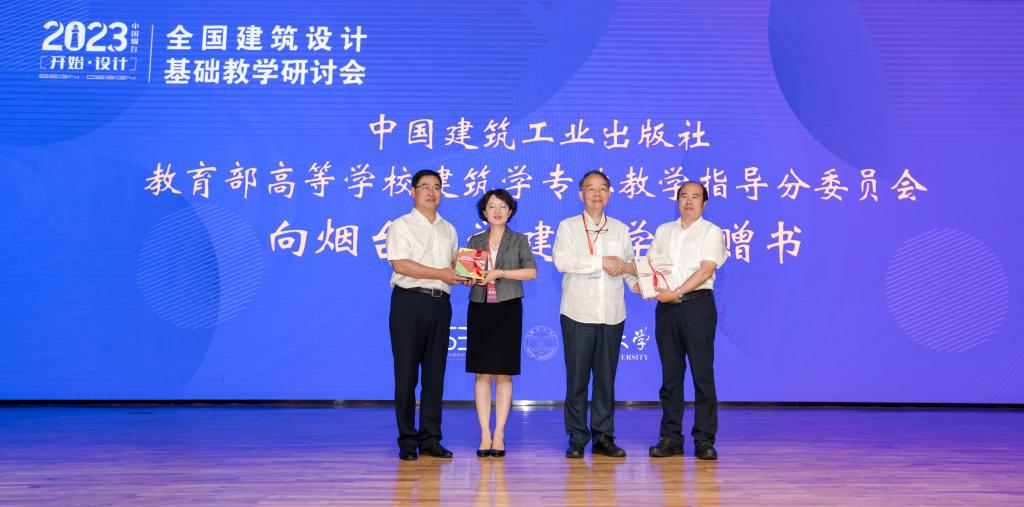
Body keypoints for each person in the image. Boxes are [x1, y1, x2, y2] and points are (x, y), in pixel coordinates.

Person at [385, 169, 470, 461]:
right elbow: (400, 265)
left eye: (436, 187)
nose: (431, 193)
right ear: (412, 192)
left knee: (435, 374)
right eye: (424, 187)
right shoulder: (401, 225)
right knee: (406, 374)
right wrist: (441, 273)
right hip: (409, 302)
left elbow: (453, 266)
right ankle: (408, 440)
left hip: (440, 304)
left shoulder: (449, 229)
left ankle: (431, 438)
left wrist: (466, 274)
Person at [552, 170, 637, 459]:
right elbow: (563, 261)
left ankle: (603, 437)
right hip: (578, 313)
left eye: (602, 189)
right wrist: (601, 261)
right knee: (577, 380)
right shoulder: (568, 227)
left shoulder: (620, 229)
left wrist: (640, 285)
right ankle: (577, 437)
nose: (597, 194)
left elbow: (627, 266)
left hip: (612, 314)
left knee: (605, 380)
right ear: (581, 195)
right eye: (591, 188)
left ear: (610, 194)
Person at [640, 181, 727, 461]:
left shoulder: (711, 232)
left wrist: (676, 292)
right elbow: (651, 267)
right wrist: (643, 285)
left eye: (695, 197)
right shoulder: (664, 231)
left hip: (697, 306)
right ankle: (671, 437)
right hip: (667, 309)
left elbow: (705, 271)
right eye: (684, 197)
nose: (689, 202)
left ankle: (704, 438)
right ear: (677, 201)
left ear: (704, 203)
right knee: (671, 376)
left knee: (702, 374)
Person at [465, 189, 538, 458]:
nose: (497, 211)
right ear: (484, 212)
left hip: (508, 309)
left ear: (510, 211)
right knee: (482, 374)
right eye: (492, 206)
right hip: (480, 308)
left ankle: (499, 433)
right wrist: (466, 277)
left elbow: (531, 272)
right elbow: (467, 275)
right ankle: (485, 433)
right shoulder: (474, 240)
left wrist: (501, 273)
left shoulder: (518, 240)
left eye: (503, 206)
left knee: (504, 374)